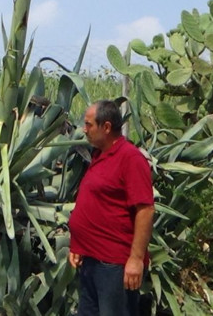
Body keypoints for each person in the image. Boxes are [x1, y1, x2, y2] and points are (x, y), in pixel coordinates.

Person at [68, 100, 155, 316]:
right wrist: (78, 245)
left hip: (114, 266)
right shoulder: (99, 155)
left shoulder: (130, 158)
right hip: (91, 261)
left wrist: (135, 259)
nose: (84, 129)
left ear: (106, 127)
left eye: (89, 125)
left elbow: (145, 209)